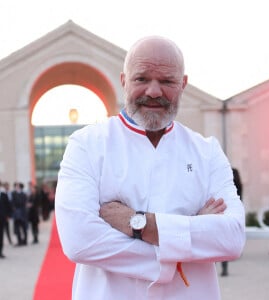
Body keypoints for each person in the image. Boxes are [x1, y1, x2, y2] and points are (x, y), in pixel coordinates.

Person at [55, 36, 245, 300]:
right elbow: (80, 241)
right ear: (124, 81)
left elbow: (232, 238)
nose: (154, 91)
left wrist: (139, 224)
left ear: (183, 84)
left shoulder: (207, 151)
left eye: (167, 81)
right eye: (142, 79)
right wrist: (187, 237)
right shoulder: (87, 145)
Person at [221, 167, 243, 276]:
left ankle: (221, 266)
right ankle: (224, 267)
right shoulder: (237, 185)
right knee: (225, 240)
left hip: (223, 211)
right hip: (229, 212)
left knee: (221, 240)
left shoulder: (227, 185)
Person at [0, 182, 11, 258]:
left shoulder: (4, 194)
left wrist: (7, 216)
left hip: (2, 218)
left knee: (1, 235)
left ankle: (0, 252)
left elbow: (8, 206)